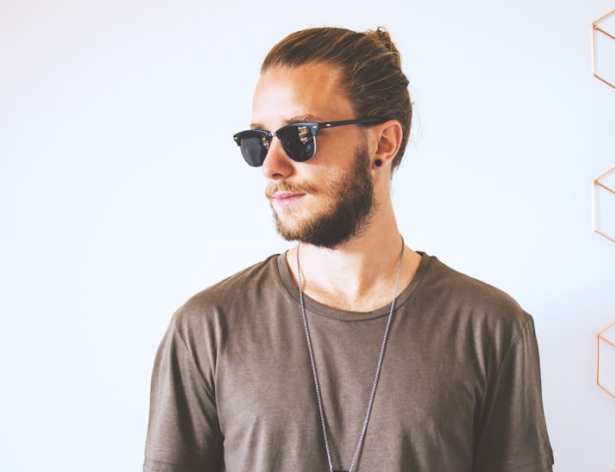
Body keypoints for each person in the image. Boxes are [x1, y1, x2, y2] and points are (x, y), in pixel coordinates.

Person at [144, 27, 554, 472]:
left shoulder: (489, 328)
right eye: (258, 142)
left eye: (300, 136)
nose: (272, 167)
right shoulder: (205, 329)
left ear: (383, 144)